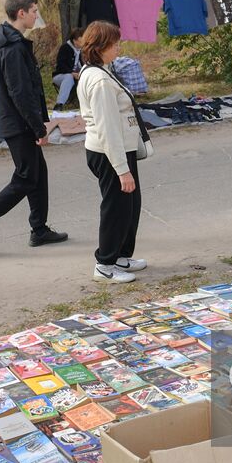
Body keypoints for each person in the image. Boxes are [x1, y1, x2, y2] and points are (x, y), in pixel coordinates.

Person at [0, 0, 68, 254]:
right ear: (20, 13)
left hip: (17, 120)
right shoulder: (12, 47)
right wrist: (38, 127)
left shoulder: (8, 43)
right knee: (25, 177)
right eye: (33, 11)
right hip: (18, 123)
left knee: (37, 175)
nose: (36, 16)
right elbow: (21, 92)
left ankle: (39, 229)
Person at [77, 21, 148, 283]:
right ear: (100, 46)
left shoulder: (103, 71)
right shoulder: (99, 81)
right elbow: (107, 128)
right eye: (114, 43)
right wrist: (122, 169)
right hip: (109, 153)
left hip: (121, 149)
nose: (119, 46)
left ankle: (120, 256)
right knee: (116, 208)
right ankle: (104, 264)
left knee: (130, 205)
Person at [52, 27, 85, 108]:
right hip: (60, 76)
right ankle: (59, 104)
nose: (83, 44)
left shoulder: (79, 50)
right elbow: (61, 65)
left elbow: (81, 65)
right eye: (81, 41)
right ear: (74, 40)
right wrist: (72, 73)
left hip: (74, 76)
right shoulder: (65, 48)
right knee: (68, 77)